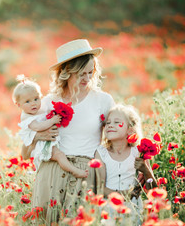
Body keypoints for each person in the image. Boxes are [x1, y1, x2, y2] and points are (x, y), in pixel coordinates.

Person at [21, 39, 115, 223]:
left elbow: (115, 141)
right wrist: (38, 137)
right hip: (50, 174)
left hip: (85, 174)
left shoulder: (103, 100)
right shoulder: (46, 103)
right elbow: (24, 153)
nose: (87, 79)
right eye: (81, 74)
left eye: (90, 73)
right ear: (66, 73)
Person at [12, 75, 89, 178]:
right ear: (18, 105)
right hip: (41, 146)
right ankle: (74, 170)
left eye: (36, 99)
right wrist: (53, 120)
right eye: (27, 101)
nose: (33, 104)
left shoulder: (39, 109)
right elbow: (39, 127)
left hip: (48, 142)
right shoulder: (26, 117)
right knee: (59, 155)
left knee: (60, 154)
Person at [94, 104, 158, 224]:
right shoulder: (101, 152)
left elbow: (153, 188)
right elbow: (100, 188)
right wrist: (125, 194)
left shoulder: (138, 152)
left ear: (130, 129)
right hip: (109, 210)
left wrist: (145, 170)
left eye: (117, 122)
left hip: (133, 209)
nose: (110, 125)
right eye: (107, 123)